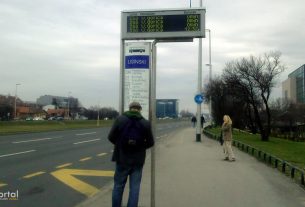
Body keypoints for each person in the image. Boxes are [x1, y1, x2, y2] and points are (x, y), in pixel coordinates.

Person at [108, 101, 154, 207]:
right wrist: (141, 147)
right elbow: (151, 142)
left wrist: (121, 145)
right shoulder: (145, 123)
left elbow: (111, 137)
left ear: (130, 108)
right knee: (135, 188)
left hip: (122, 158)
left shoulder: (120, 119)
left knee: (118, 186)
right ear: (139, 109)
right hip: (137, 161)